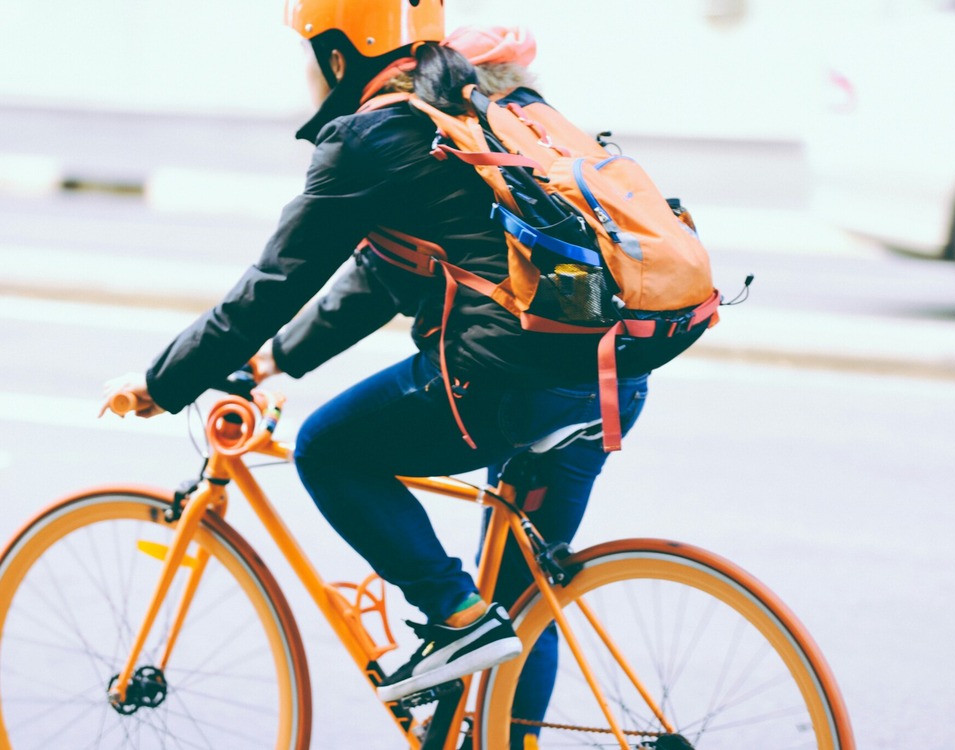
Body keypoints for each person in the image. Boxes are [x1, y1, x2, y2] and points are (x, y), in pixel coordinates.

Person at [101, 3, 706, 745]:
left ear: (338, 51)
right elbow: (384, 274)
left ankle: (451, 616)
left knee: (328, 448)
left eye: (308, 51)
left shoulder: (369, 136)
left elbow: (272, 282)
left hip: (504, 385)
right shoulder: (472, 107)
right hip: (610, 378)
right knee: (523, 601)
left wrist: (165, 384)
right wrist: (275, 361)